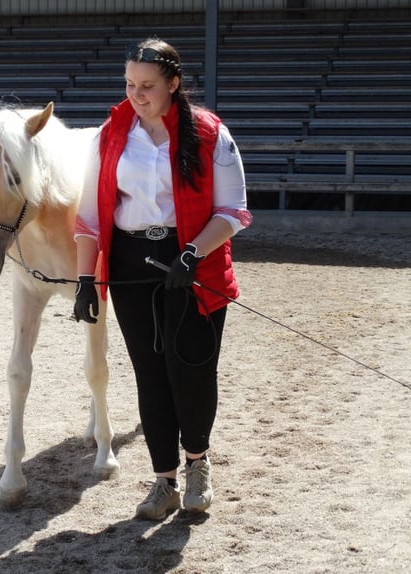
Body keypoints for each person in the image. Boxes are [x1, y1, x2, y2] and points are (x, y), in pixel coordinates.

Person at [72, 38, 252, 520]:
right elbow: (89, 215)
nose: (137, 94)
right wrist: (85, 279)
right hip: (131, 262)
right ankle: (164, 479)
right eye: (130, 84)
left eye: (148, 85)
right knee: (150, 373)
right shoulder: (111, 134)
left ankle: (197, 463)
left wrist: (192, 252)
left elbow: (234, 210)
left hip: (193, 262)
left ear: (173, 84)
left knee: (189, 369)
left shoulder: (210, 133)